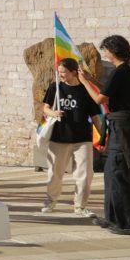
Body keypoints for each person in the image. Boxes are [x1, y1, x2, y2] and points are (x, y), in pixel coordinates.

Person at [79, 35, 130, 236]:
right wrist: (92, 80)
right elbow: (111, 93)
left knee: (119, 175)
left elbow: (101, 99)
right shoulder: (124, 71)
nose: (104, 54)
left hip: (124, 129)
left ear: (114, 51)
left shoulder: (121, 72)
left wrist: (84, 83)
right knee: (111, 173)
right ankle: (113, 218)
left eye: (106, 51)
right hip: (121, 126)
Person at [40, 58, 98, 217]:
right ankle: (50, 201)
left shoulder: (85, 90)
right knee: (54, 173)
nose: (60, 75)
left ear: (74, 72)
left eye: (63, 72)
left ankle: (80, 206)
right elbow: (45, 108)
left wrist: (102, 137)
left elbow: (95, 116)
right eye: (59, 72)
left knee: (85, 174)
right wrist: (54, 113)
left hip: (82, 138)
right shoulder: (55, 87)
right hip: (59, 137)